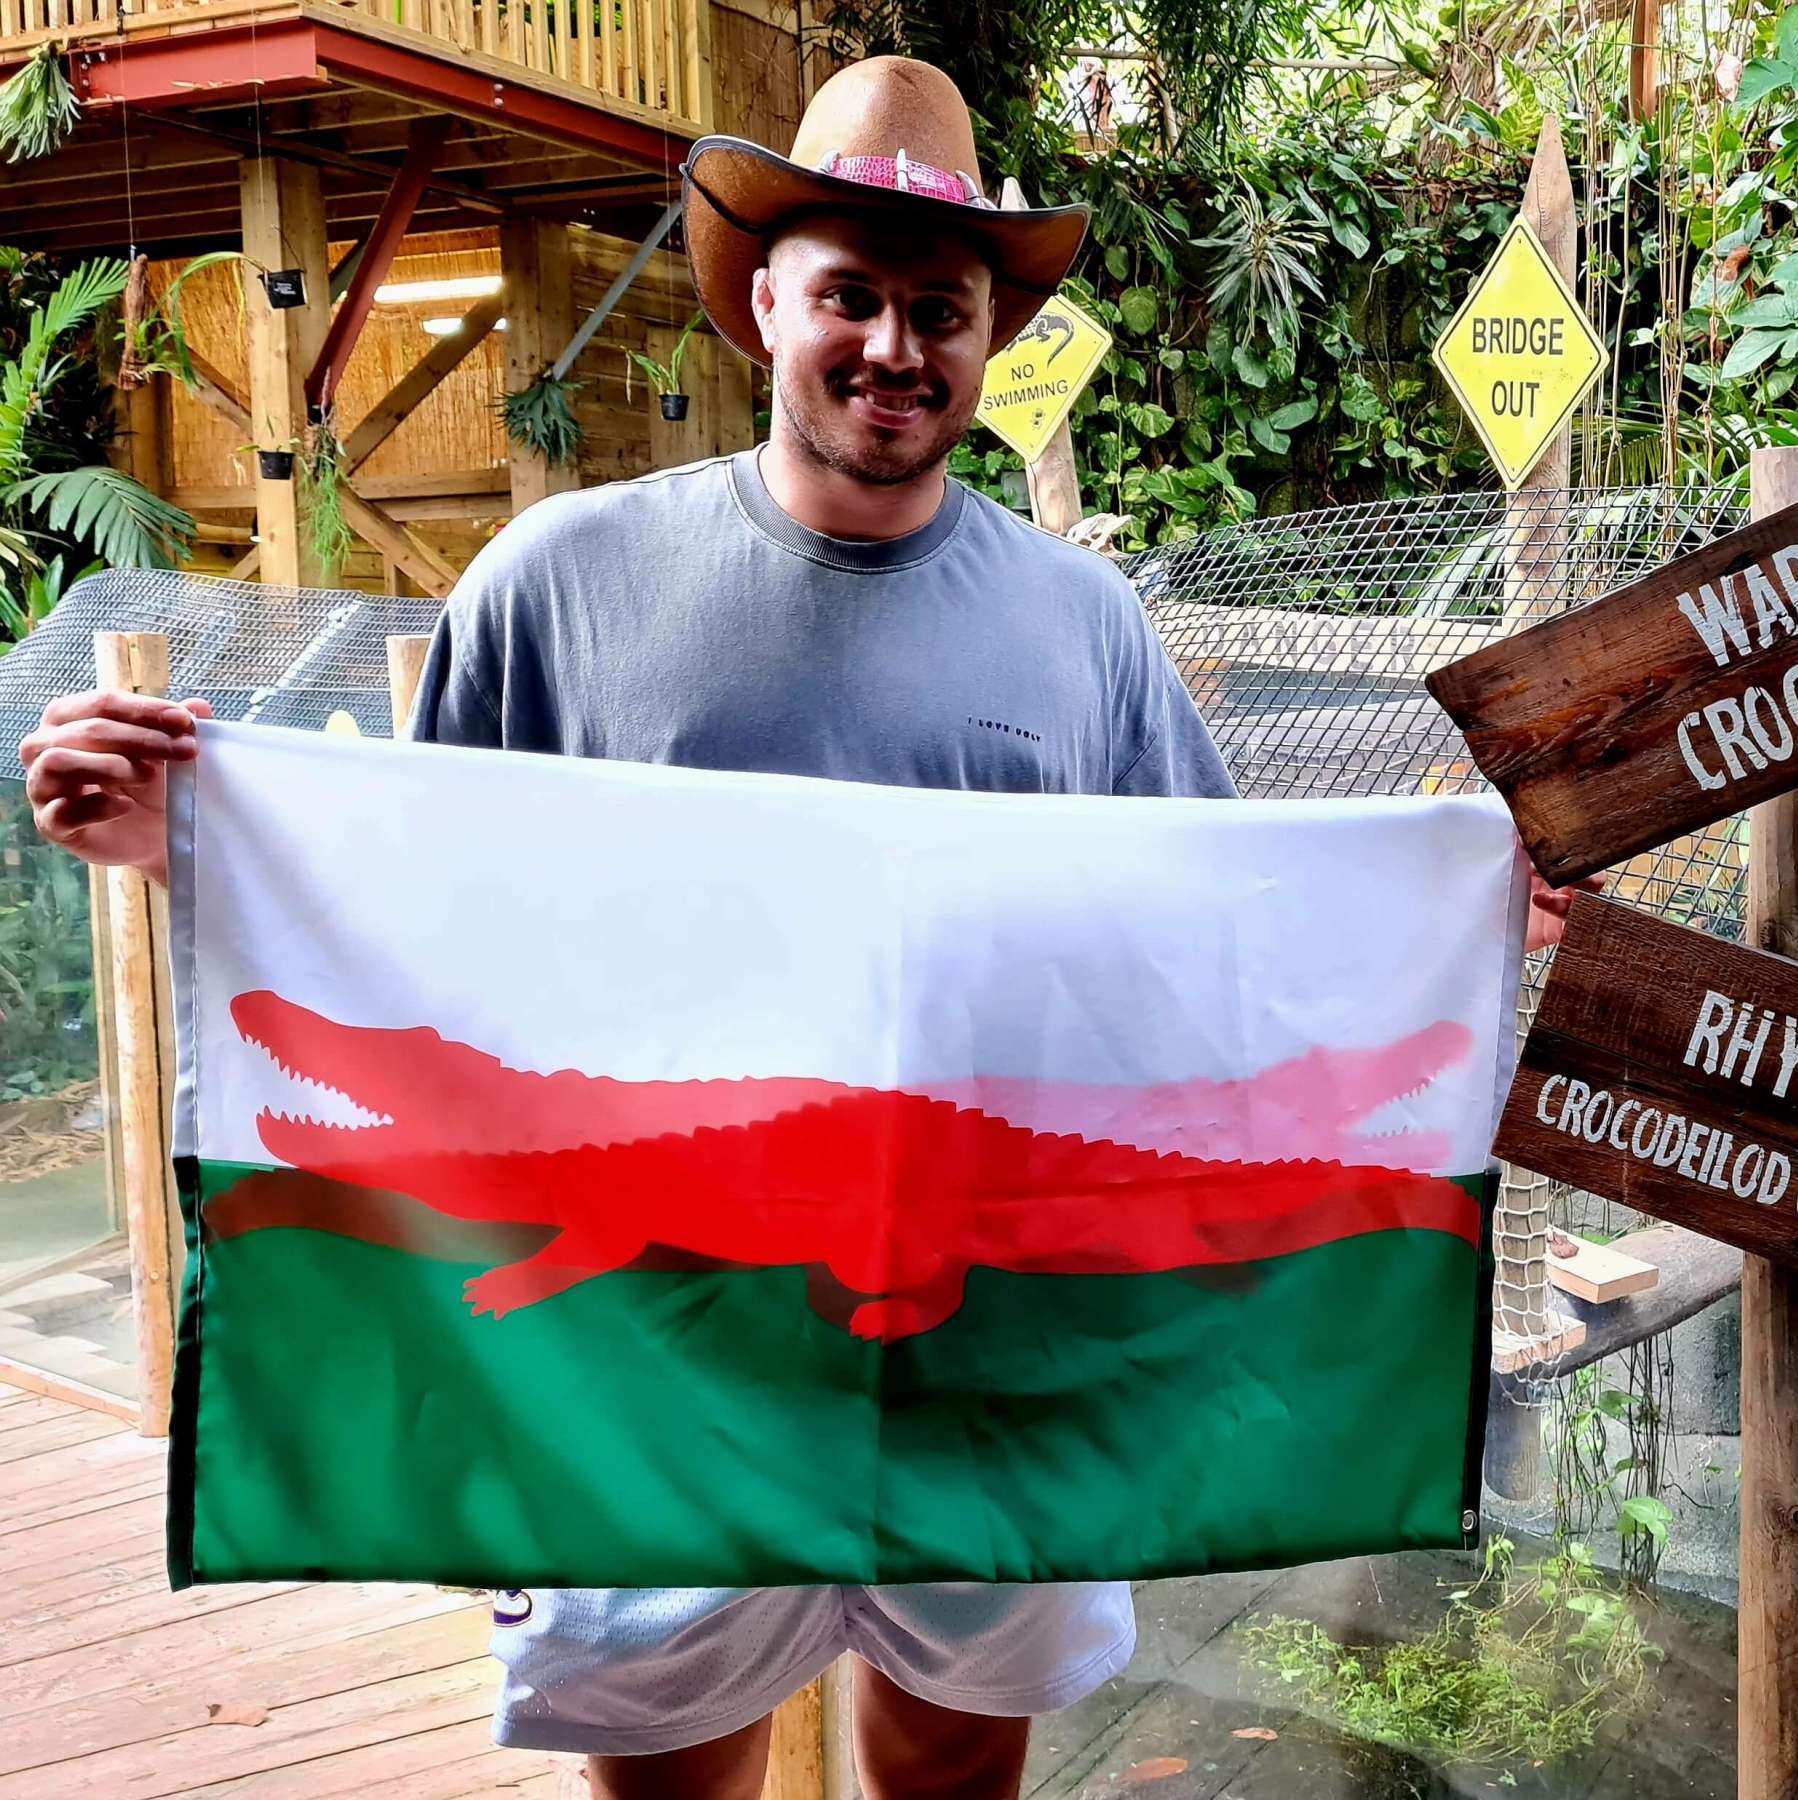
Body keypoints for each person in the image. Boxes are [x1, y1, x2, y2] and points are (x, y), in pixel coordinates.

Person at [20, 55, 1582, 1800]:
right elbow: (416, 907)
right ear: (764, 301)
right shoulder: (559, 584)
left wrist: (1442, 928)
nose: (895, 349)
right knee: (673, 1779)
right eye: (851, 295)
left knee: (948, 1782)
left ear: (991, 340)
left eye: (942, 307)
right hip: (657, 1348)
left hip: (991, 1352)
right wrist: (205, 849)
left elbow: (1203, 957)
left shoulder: (1087, 630)